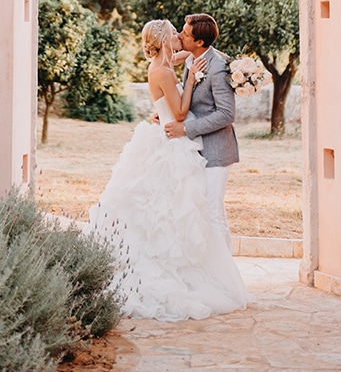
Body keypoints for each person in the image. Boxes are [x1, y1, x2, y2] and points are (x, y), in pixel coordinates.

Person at [87, 19, 247, 321]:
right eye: (176, 33)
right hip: (174, 143)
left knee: (194, 211)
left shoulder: (181, 60)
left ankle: (218, 273)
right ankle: (204, 275)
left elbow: (211, 90)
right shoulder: (166, 67)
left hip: (191, 143)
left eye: (184, 33)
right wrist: (182, 90)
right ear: (164, 39)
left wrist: (225, 63)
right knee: (174, 211)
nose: (180, 36)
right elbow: (181, 109)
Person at [164, 13, 238, 251]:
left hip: (216, 151)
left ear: (199, 42)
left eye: (185, 34)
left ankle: (227, 275)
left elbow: (226, 114)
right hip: (196, 150)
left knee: (214, 211)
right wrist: (165, 113)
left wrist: (185, 128)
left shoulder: (218, 68)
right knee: (198, 210)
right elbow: (193, 101)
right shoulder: (191, 58)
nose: (180, 35)